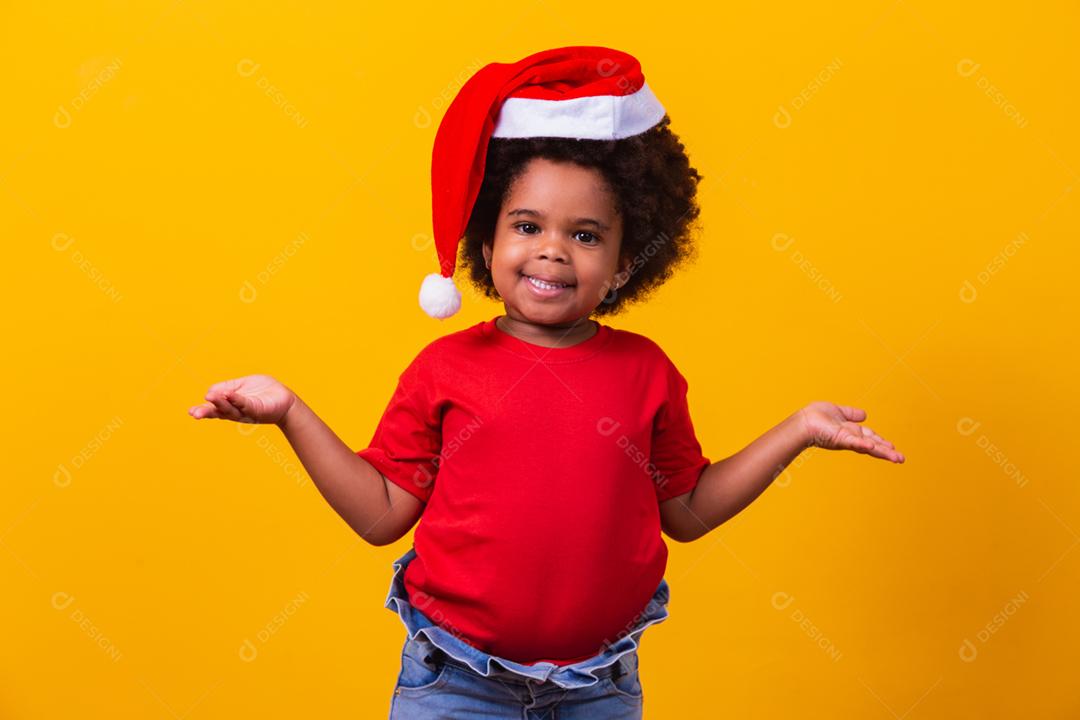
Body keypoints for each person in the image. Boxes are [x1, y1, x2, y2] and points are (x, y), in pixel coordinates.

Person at [188, 45, 905, 719]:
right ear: (487, 241)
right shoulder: (444, 369)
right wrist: (290, 412)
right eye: (527, 226)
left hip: (599, 687)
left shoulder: (646, 371)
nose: (553, 250)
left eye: (585, 235)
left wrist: (797, 431)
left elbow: (686, 511)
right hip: (454, 682)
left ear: (625, 264)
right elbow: (380, 517)